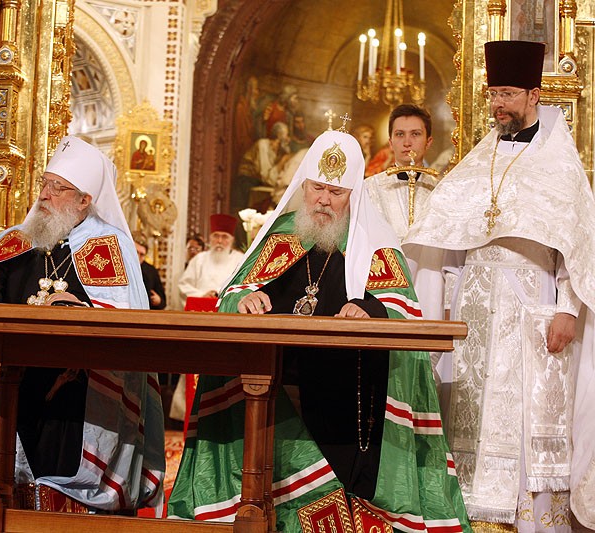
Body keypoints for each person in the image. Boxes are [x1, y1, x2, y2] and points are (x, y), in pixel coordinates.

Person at [169, 130, 470, 532]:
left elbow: (402, 309)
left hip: (342, 394)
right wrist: (245, 298)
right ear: (304, 187)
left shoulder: (373, 241)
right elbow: (234, 292)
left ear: (353, 195)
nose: (324, 200)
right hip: (275, 381)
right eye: (317, 188)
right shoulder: (281, 234)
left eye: (336, 192)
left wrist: (369, 309)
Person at [403, 40, 595, 531]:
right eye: (493, 95)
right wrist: (443, 300)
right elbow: (446, 237)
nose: (498, 105)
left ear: (534, 95)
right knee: (468, 411)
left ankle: (530, 520)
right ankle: (470, 516)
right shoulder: (478, 160)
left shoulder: (559, 163)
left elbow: (577, 242)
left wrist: (569, 309)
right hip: (474, 308)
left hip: (531, 308)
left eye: (507, 94)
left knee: (527, 416)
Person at [0, 136, 165, 517]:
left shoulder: (109, 246)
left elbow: (122, 318)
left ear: (84, 200)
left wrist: (79, 309)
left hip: (78, 389)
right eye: (44, 183)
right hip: (13, 381)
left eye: (58, 187)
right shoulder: (16, 240)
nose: (44, 194)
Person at [366, 104, 443, 320]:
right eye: (400, 134)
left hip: (432, 286)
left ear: (428, 141)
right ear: (390, 142)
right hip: (384, 292)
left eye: (415, 134)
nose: (407, 142)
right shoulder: (369, 189)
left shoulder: (443, 191)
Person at [178, 214, 244, 301]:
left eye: (224, 237)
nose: (219, 241)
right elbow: (184, 285)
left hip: (228, 307)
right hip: (201, 306)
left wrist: (219, 294)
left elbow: (244, 288)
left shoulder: (240, 260)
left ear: (232, 240)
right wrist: (202, 295)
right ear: (210, 238)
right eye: (216, 236)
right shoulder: (199, 259)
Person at [231, 122, 292, 214]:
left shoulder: (279, 152)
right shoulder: (262, 145)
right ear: (279, 136)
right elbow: (266, 176)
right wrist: (282, 161)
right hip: (246, 185)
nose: (288, 139)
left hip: (258, 183)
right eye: (287, 135)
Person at [134, 234, 166, 309]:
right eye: (136, 252)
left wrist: (158, 300)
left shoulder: (151, 271)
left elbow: (163, 301)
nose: (138, 257)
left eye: (142, 254)